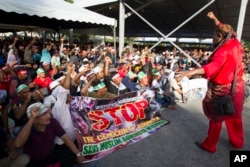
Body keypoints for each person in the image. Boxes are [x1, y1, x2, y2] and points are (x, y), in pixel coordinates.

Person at [177, 11, 245, 153]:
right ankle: (237, 143)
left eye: (213, 35)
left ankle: (210, 146)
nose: (212, 38)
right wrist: (215, 19)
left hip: (222, 90)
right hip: (237, 88)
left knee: (216, 119)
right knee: (235, 117)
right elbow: (226, 29)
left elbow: (213, 67)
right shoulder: (236, 43)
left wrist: (191, 72)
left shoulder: (222, 51)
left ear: (220, 36)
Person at [14, 102, 85, 167]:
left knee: (70, 154)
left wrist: (78, 154)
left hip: (50, 155)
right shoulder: (27, 128)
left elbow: (66, 139)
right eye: (44, 114)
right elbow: (18, 144)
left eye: (47, 112)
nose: (48, 116)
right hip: (35, 162)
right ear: (35, 120)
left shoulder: (52, 122)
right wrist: (31, 119)